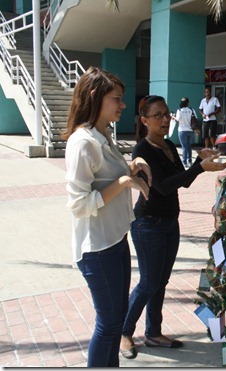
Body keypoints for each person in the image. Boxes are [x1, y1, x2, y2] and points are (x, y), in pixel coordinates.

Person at [120, 95, 226, 359]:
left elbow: (184, 181)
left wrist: (199, 163)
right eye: (157, 115)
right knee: (148, 283)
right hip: (148, 223)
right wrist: (199, 168)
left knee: (161, 282)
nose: (165, 120)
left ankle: (153, 333)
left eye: (167, 114)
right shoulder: (142, 151)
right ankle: (124, 333)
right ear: (144, 121)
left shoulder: (169, 146)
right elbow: (163, 185)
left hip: (170, 222)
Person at [63, 67, 152, 367]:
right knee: (109, 324)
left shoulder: (102, 134)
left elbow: (108, 178)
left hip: (115, 239)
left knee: (116, 323)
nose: (123, 105)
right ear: (94, 98)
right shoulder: (82, 142)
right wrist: (125, 183)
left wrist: (133, 165)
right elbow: (78, 204)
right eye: (117, 99)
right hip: (97, 248)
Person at [173, 97, 198, 168]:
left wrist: (173, 117)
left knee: (184, 147)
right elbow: (195, 118)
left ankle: (184, 162)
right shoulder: (191, 110)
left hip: (182, 131)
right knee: (189, 146)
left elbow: (177, 119)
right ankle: (189, 161)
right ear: (187, 103)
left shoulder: (179, 110)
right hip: (190, 130)